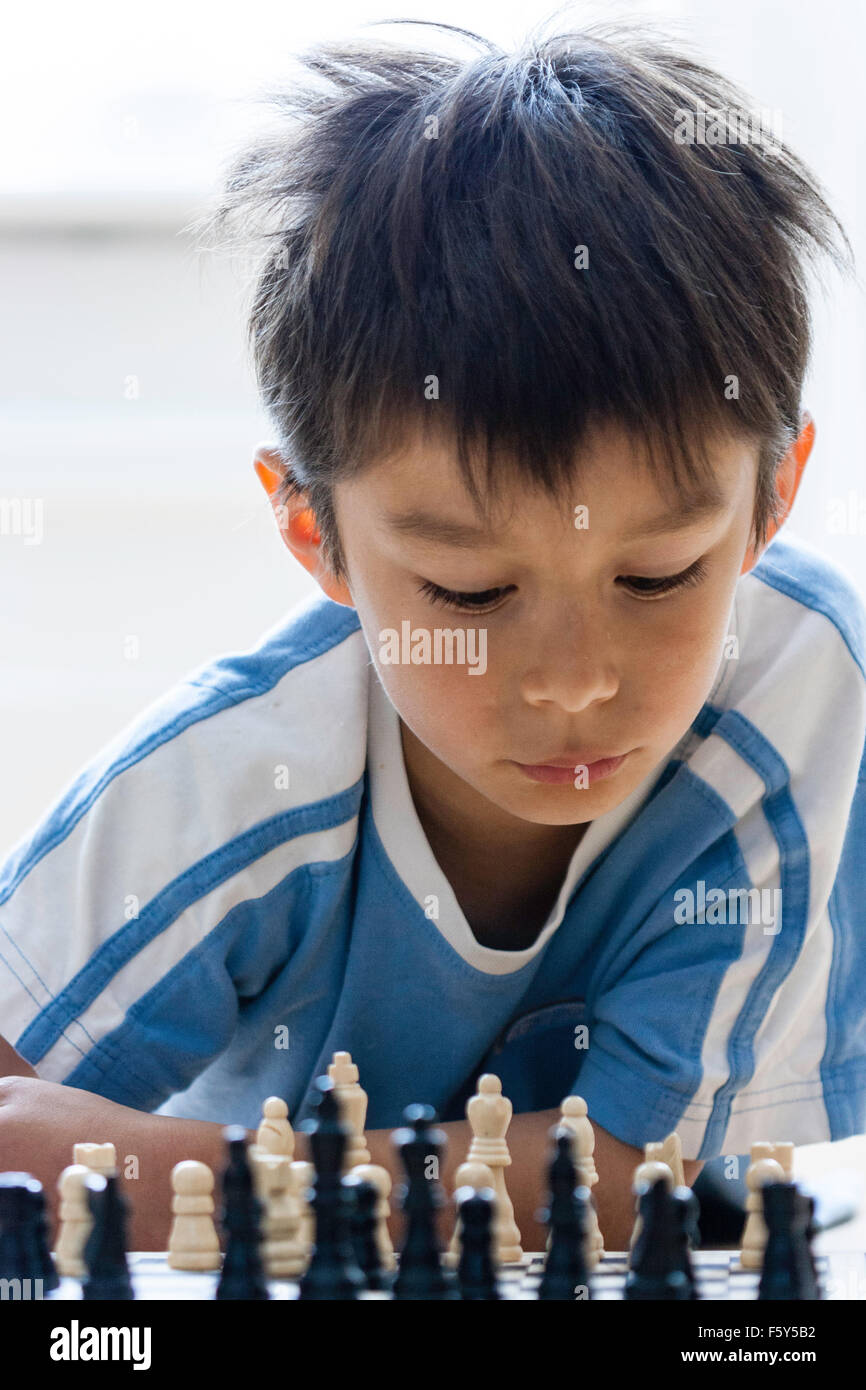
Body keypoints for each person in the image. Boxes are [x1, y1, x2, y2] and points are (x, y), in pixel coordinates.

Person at [1, 17, 862, 1252]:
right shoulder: (234, 776)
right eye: (466, 592)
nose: (574, 682)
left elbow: (629, 1171)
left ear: (770, 503)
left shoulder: (803, 684)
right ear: (313, 534)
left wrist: (156, 1175)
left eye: (658, 573)